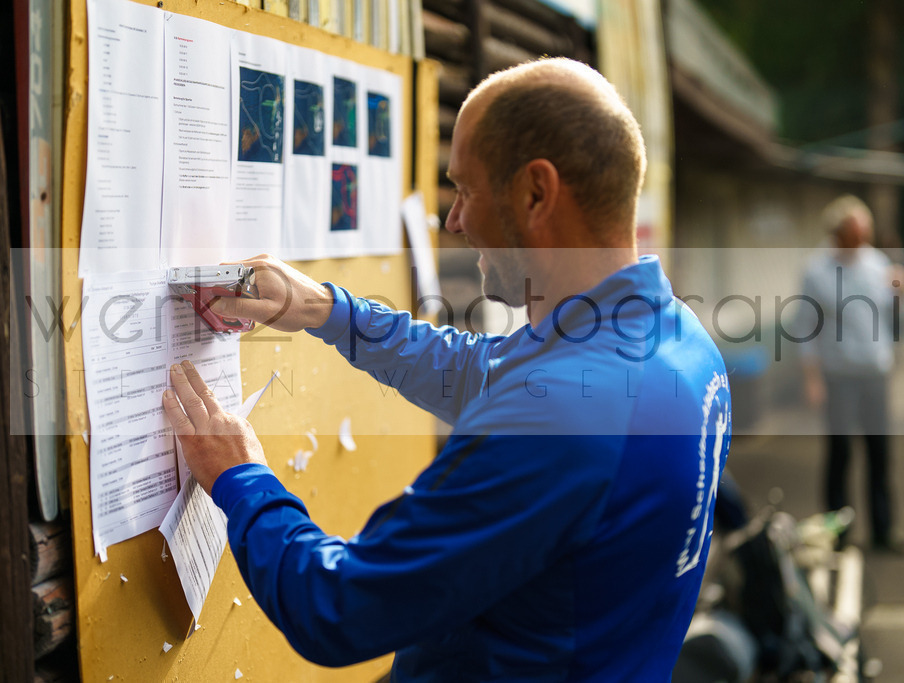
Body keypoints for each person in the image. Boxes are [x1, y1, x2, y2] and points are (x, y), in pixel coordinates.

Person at [163, 58, 732, 680]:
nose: (453, 219)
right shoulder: (677, 342)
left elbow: (338, 609)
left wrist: (241, 478)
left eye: (465, 190)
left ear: (536, 193)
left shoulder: (560, 417)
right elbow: (479, 373)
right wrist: (322, 308)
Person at [798, 195, 904, 555]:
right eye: (855, 234)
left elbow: (891, 314)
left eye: (865, 234)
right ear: (838, 234)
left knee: (879, 454)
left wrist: (900, 293)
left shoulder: (877, 263)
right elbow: (806, 328)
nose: (861, 241)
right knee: (840, 454)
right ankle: (838, 533)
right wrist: (812, 379)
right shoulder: (816, 270)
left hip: (874, 372)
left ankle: (883, 531)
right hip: (838, 375)